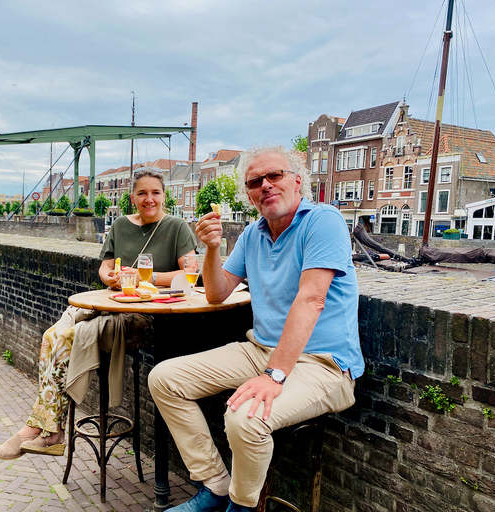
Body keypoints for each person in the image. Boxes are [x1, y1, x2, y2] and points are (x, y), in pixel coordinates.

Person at [148, 146, 364, 512]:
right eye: (254, 182)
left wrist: (274, 375)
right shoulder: (253, 233)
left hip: (324, 364)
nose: (265, 185)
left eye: (274, 176)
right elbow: (216, 294)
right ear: (248, 194)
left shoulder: (323, 221)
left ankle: (241, 506)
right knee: (164, 378)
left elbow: (312, 299)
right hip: (260, 350)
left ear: (298, 181)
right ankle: (216, 487)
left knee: (245, 420)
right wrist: (212, 248)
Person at [0, 167, 197, 460]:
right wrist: (112, 278)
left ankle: (46, 430)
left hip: (148, 319)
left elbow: (191, 272)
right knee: (51, 335)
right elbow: (105, 267)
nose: (149, 199)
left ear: (164, 196)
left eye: (155, 192)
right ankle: (45, 427)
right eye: (142, 193)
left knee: (65, 338)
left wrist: (146, 279)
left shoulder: (177, 226)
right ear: (132, 197)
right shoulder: (119, 227)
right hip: (111, 305)